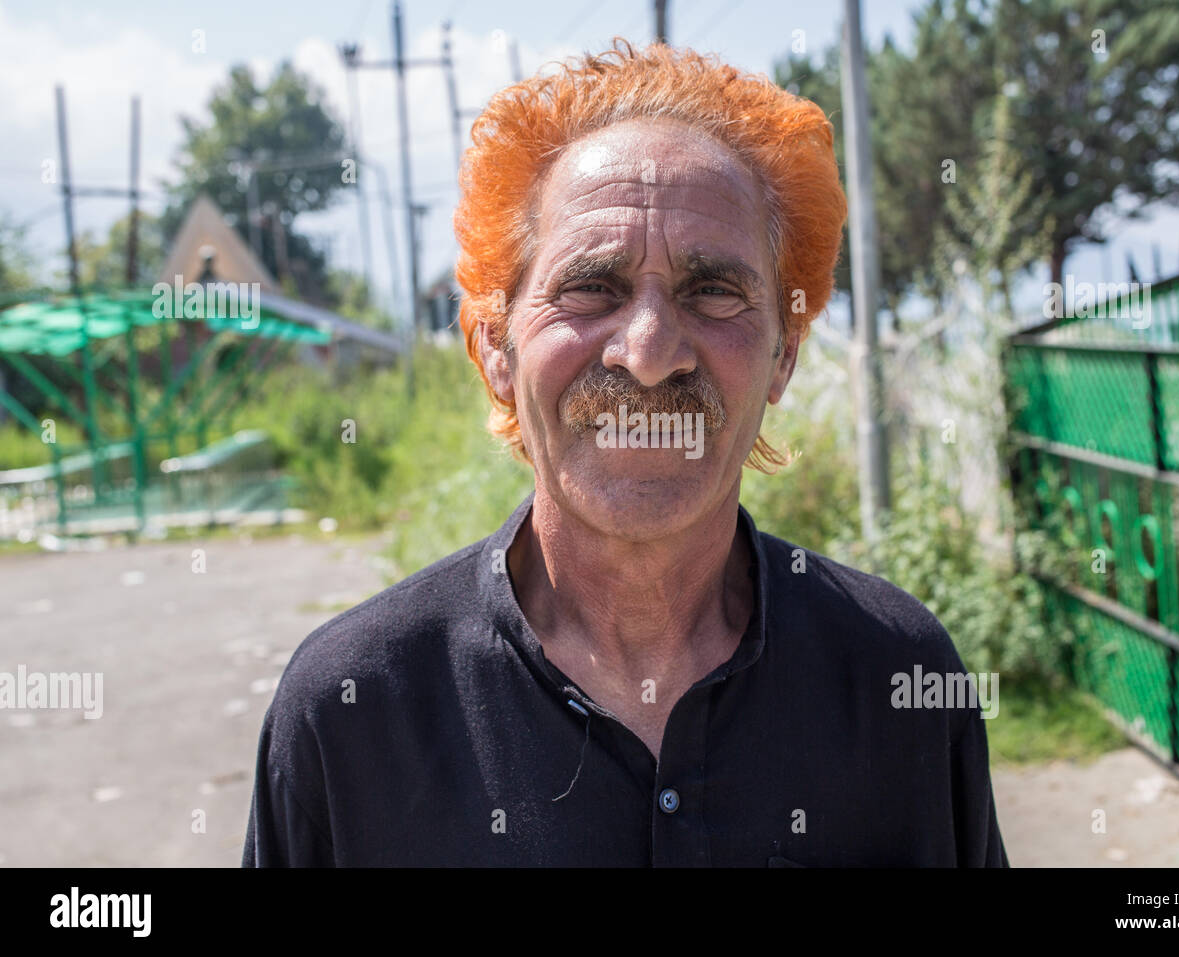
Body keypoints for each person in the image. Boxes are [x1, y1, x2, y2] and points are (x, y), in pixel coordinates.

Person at [242, 38, 1008, 867]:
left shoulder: (903, 681)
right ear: (496, 345)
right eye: (591, 287)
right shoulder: (351, 713)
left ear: (784, 352)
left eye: (712, 289)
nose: (648, 352)